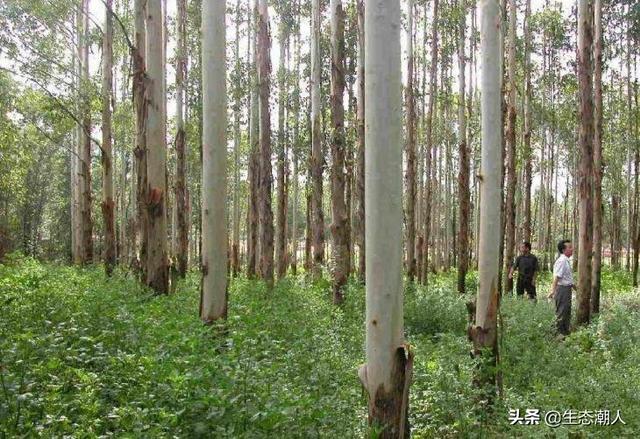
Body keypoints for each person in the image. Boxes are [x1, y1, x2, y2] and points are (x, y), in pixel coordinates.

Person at [547, 240, 576, 336]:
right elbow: (557, 277)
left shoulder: (566, 261)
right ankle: (558, 333)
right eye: (570, 247)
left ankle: (565, 332)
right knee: (562, 311)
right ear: (563, 250)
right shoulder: (562, 261)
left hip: (566, 289)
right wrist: (553, 291)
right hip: (562, 289)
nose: (572, 249)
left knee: (566, 310)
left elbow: (567, 278)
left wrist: (575, 287)